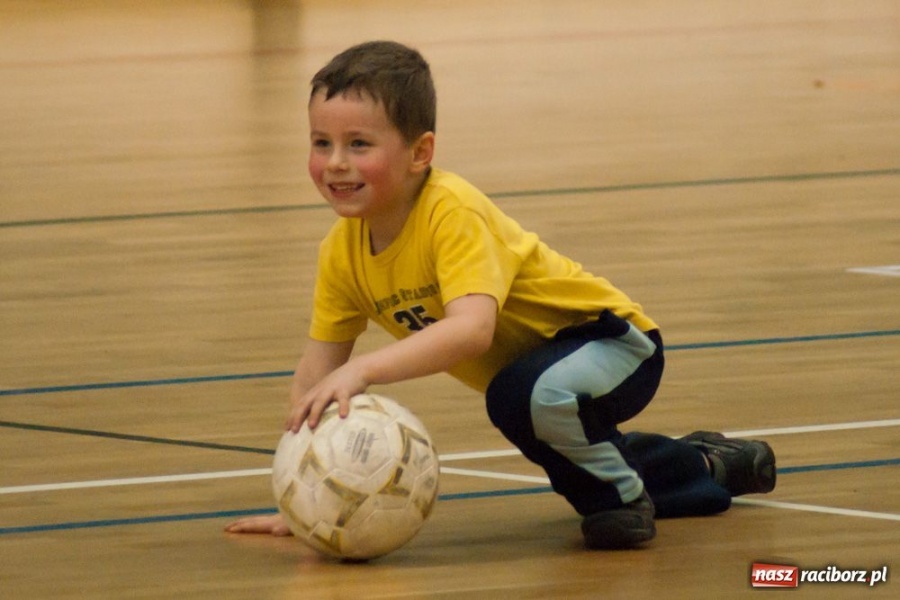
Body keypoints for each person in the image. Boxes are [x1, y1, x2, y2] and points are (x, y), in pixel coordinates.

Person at [225, 40, 776, 549]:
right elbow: (315, 378)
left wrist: (365, 371)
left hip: (613, 344)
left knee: (525, 400)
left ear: (421, 153)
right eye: (321, 143)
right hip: (536, 382)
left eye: (358, 144)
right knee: (544, 417)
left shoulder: (451, 212)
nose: (336, 162)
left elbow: (471, 330)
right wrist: (304, 499)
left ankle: (620, 502)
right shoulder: (340, 254)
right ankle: (708, 467)